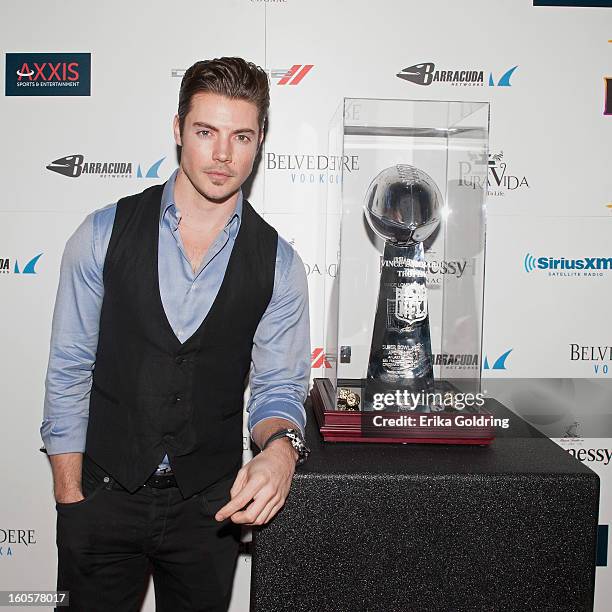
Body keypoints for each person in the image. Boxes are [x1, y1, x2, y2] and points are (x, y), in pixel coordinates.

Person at [40, 57, 311, 612]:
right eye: (206, 131)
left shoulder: (279, 264)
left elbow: (278, 387)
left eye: (241, 136)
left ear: (259, 142)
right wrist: (71, 500)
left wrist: (281, 449)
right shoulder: (100, 234)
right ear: (178, 128)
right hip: (102, 496)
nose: (221, 154)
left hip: (211, 509)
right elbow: (69, 369)